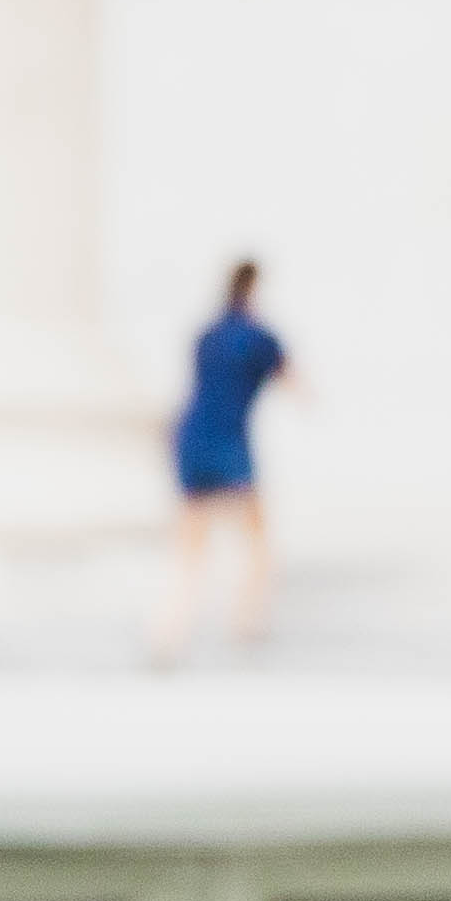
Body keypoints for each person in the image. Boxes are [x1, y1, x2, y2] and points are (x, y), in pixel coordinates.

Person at [162, 261, 296, 651]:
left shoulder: (206, 335)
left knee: (190, 547)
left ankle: (169, 630)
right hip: (229, 446)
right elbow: (292, 380)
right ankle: (247, 624)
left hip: (190, 441)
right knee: (258, 542)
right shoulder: (260, 338)